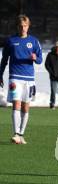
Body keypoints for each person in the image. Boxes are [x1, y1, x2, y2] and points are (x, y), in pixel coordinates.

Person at [0, 14, 42, 145]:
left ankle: (21, 134)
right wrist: (0, 74)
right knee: (16, 104)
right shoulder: (10, 41)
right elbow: (4, 60)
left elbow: (40, 60)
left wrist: (36, 58)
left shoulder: (34, 41)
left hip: (29, 79)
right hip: (15, 78)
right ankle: (16, 134)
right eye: (20, 26)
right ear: (17, 27)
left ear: (28, 26)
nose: (23, 28)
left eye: (25, 26)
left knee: (25, 107)